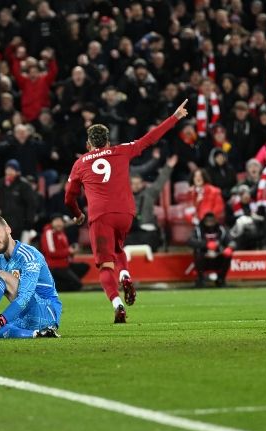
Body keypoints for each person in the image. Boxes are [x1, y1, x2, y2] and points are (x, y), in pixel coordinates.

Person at [65, 99, 188, 323]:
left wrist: (77, 214)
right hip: (126, 214)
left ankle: (117, 303)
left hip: (100, 216)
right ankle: (125, 274)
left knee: (105, 264)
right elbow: (149, 139)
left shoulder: (80, 163)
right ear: (108, 141)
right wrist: (175, 117)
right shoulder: (121, 151)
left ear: (88, 144)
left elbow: (68, 197)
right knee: (118, 248)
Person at [126, 154, 177, 252]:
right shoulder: (124, 198)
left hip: (147, 231)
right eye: (133, 183)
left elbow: (160, 182)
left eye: (138, 183)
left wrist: (168, 167)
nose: (136, 186)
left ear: (142, 183)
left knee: (152, 239)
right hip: (131, 232)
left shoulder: (149, 193)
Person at [40, 215, 89, 292]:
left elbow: (64, 250)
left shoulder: (62, 233)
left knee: (84, 267)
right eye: (56, 221)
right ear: (52, 222)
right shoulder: (49, 232)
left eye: (60, 221)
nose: (59, 224)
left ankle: (62, 283)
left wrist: (71, 252)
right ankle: (55, 287)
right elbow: (51, 253)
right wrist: (69, 251)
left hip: (64, 264)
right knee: (77, 285)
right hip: (54, 266)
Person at [188, 213, 233, 288]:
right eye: (208, 221)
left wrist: (230, 248)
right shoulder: (198, 229)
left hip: (218, 256)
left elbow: (231, 241)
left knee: (228, 256)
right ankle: (200, 279)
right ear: (204, 221)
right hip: (203, 257)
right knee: (198, 255)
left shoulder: (221, 229)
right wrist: (205, 244)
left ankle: (221, 279)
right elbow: (190, 241)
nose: (210, 223)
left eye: (212, 221)